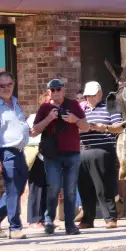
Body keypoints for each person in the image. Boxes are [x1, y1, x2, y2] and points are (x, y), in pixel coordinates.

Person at [33, 78, 88, 236]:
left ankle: (70, 225)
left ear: (64, 90)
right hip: (52, 155)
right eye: (52, 90)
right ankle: (49, 219)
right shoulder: (44, 108)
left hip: (72, 153)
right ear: (48, 92)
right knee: (54, 187)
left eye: (58, 89)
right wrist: (49, 118)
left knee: (70, 190)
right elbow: (34, 131)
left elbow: (85, 127)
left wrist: (74, 120)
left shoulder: (73, 105)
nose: (56, 92)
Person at [0, 71, 30, 240]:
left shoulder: (15, 102)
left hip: (19, 152)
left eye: (9, 84)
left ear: (14, 84)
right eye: (2, 85)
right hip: (6, 152)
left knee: (16, 189)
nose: (6, 88)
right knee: (12, 190)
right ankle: (15, 227)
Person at [78, 81, 121, 229]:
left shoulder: (110, 107)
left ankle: (110, 217)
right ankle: (87, 219)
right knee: (84, 187)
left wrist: (105, 128)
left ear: (100, 93)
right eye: (87, 95)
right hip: (83, 150)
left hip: (102, 149)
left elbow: (120, 127)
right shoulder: (81, 110)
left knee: (103, 187)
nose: (89, 98)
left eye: (92, 95)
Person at [24, 97, 47, 229]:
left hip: (48, 155)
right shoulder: (33, 117)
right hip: (36, 154)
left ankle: (42, 218)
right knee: (36, 187)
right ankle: (33, 219)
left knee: (46, 187)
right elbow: (29, 136)